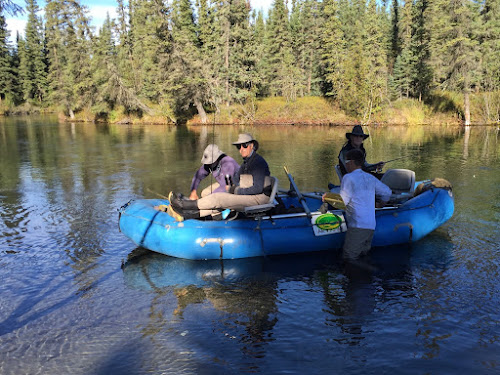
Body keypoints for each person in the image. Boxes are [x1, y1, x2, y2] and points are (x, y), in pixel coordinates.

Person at [167, 133, 272, 221]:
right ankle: (186, 215)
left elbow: (257, 188)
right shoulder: (247, 162)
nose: (241, 149)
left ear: (252, 145)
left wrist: (235, 190)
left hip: (259, 199)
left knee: (218, 198)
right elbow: (236, 178)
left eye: (244, 145)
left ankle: (183, 205)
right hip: (249, 194)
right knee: (217, 200)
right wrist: (231, 185)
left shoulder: (258, 163)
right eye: (238, 146)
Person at [335, 148, 392, 261]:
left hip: (357, 226)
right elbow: (387, 192)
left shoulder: (348, 178)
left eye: (346, 162)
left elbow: (342, 203)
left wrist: (328, 198)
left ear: (351, 162)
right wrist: (380, 204)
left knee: (349, 258)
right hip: (371, 226)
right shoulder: (370, 177)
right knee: (363, 256)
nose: (345, 165)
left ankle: (359, 275)